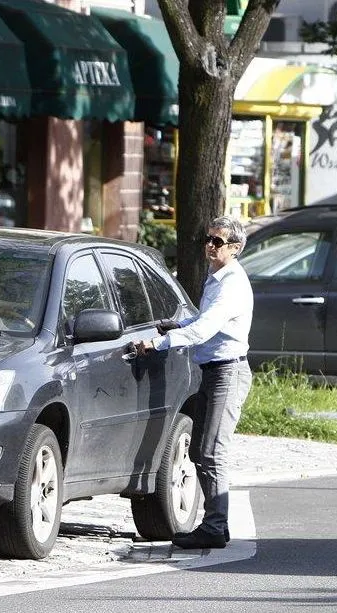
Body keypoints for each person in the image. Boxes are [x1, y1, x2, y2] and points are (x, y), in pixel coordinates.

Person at [134, 215, 254, 549]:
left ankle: (214, 527)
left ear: (235, 248)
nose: (209, 246)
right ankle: (218, 524)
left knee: (211, 451)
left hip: (228, 371)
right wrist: (175, 325)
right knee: (202, 446)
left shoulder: (231, 282)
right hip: (214, 369)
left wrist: (158, 343)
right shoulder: (217, 277)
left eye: (217, 242)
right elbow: (201, 320)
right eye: (208, 239)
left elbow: (205, 330)